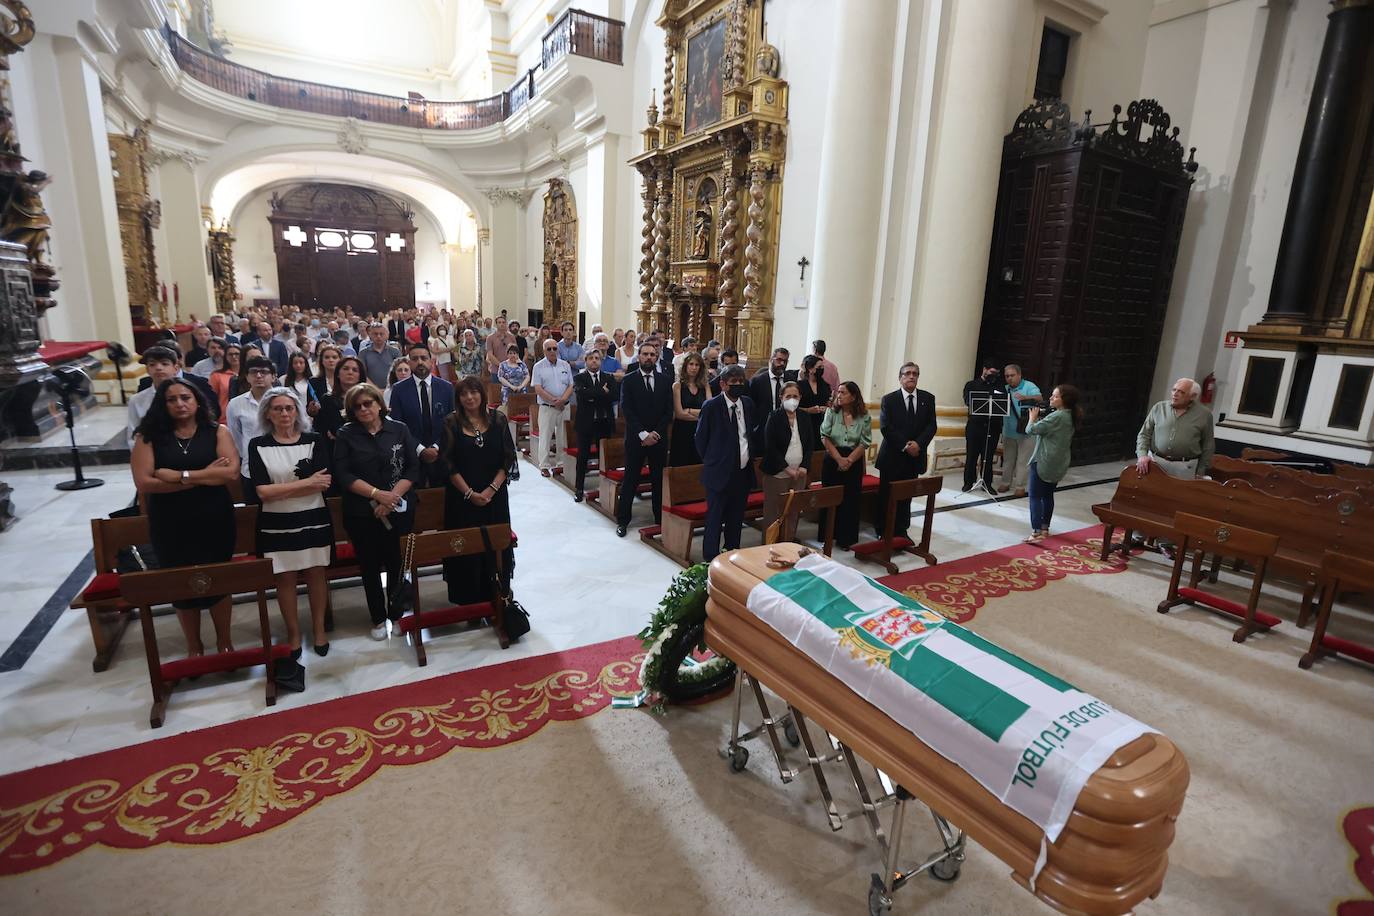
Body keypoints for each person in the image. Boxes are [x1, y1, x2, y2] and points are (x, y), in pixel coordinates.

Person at [131, 378, 239, 656]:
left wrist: (179, 476)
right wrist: (206, 476)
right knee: (180, 583)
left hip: (214, 518)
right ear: (162, 404)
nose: (180, 403)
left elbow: (229, 473)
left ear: (197, 400)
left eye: (185, 397)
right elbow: (144, 483)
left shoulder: (217, 432)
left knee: (220, 578)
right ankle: (194, 645)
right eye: (172, 399)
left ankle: (224, 641)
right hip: (169, 521)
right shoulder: (149, 437)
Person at [248, 389, 335, 656]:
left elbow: (324, 484)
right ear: (268, 414)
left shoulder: (314, 440)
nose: (284, 413)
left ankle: (319, 630)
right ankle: (294, 634)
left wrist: (283, 489)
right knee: (284, 578)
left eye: (289, 408)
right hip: (276, 521)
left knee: (316, 574)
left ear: (297, 411)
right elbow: (261, 492)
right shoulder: (259, 445)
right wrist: (307, 483)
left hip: (313, 516)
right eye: (277, 409)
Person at [332, 382, 419, 640]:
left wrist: (390, 498)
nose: (363, 409)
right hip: (361, 511)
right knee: (369, 566)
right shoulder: (346, 434)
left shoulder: (399, 429)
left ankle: (396, 614)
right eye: (357, 407)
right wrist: (376, 494)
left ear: (379, 404)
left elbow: (413, 468)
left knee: (396, 563)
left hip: (398, 507)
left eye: (368, 403)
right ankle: (378, 618)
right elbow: (343, 474)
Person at [442, 378, 516, 605]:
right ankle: (469, 601)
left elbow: (508, 458)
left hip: (495, 496)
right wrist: (470, 494)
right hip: (462, 499)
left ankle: (498, 594)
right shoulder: (451, 422)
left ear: (482, 395)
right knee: (466, 548)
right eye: (464, 394)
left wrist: (491, 490)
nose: (470, 397)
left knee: (495, 546)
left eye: (474, 392)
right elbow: (448, 463)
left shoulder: (498, 419)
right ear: (459, 398)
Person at [694, 364, 758, 561]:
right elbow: (700, 439)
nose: (738, 385)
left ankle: (731, 555)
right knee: (714, 519)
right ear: (723, 384)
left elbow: (748, 433)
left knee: (736, 518)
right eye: (733, 382)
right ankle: (710, 560)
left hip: (742, 471)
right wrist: (714, 461)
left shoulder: (747, 403)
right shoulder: (711, 406)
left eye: (741, 382)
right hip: (718, 472)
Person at [616, 342, 673, 537]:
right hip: (636, 438)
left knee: (658, 480)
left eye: (652, 354)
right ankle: (623, 520)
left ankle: (659, 518)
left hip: (658, 439)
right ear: (638, 357)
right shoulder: (629, 380)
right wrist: (643, 434)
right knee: (631, 479)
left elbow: (668, 412)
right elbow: (627, 410)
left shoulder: (665, 381)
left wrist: (655, 433)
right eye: (645, 354)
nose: (649, 357)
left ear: (657, 357)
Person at [875, 362, 937, 540]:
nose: (911, 376)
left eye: (915, 374)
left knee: (906, 496)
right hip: (892, 457)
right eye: (908, 373)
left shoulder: (927, 398)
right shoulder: (889, 399)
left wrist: (918, 444)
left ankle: (902, 531)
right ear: (900, 378)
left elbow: (931, 426)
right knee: (887, 496)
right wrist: (905, 446)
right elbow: (886, 427)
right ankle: (883, 530)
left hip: (914, 457)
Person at [387, 342, 454, 489]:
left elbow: (452, 422)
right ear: (409, 362)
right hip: (411, 454)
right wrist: (420, 449)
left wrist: (436, 446)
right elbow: (397, 425)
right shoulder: (399, 390)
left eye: (424, 358)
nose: (420, 362)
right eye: (415, 359)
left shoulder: (447, 388)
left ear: (432, 361)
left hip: (442, 453)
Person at [1024, 385, 1083, 543]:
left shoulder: (1057, 416)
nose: (1051, 398)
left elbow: (1031, 430)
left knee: (1035, 496)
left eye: (1055, 396)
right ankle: (1044, 528)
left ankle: (1036, 533)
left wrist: (1032, 418)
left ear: (1065, 400)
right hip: (1059, 462)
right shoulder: (1070, 415)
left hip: (1044, 460)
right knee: (1047, 495)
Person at [127, 346, 217, 446]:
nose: (158, 368)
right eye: (152, 364)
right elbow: (133, 435)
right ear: (147, 369)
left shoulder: (192, 393)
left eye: (164, 364)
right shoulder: (137, 400)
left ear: (176, 368)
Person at [820, 381, 871, 549]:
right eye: (838, 392)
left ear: (854, 396)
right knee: (830, 496)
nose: (839, 395)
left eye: (843, 393)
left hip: (853, 460)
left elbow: (864, 442)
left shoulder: (863, 416)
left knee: (850, 499)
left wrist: (849, 460)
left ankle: (846, 538)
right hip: (833, 459)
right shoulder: (831, 412)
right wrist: (839, 459)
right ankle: (827, 534)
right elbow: (824, 437)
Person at [760, 380, 813, 540]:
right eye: (788, 396)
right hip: (777, 472)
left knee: (793, 512)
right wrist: (787, 468)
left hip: (799, 474)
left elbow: (810, 443)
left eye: (795, 396)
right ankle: (769, 545)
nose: (792, 399)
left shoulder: (804, 416)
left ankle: (787, 544)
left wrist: (804, 466)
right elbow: (770, 446)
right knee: (773, 512)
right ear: (781, 397)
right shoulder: (774, 416)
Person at [1135, 378, 1215, 479]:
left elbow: (1208, 445)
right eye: (1174, 390)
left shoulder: (1204, 415)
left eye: (1181, 392)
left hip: (1185, 466)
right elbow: (1144, 434)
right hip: (1156, 462)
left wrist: (1200, 471)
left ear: (1193, 396)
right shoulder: (1159, 408)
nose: (1175, 394)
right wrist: (1142, 455)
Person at [227, 355, 278, 504]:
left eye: (264, 372)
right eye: (254, 372)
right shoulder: (235, 404)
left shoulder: (286, 399)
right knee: (255, 513)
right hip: (251, 467)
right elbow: (235, 436)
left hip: (285, 463)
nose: (259, 375)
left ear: (274, 376)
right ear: (247, 377)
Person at [571, 348, 618, 501]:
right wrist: (601, 392)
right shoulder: (579, 378)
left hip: (603, 423)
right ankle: (579, 489)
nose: (594, 361)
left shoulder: (608, 378)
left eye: (597, 358)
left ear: (601, 361)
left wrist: (593, 393)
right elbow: (581, 394)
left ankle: (604, 489)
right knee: (582, 457)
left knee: (603, 458)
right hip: (586, 424)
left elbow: (613, 396)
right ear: (586, 361)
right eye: (591, 358)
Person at [531, 337, 574, 477]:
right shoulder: (538, 366)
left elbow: (570, 385)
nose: (552, 351)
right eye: (549, 349)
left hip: (564, 406)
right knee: (545, 436)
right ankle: (544, 465)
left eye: (555, 348)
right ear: (544, 350)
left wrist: (563, 400)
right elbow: (538, 388)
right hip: (547, 407)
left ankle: (561, 463)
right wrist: (554, 401)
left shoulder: (565, 365)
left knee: (563, 436)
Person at [997, 364, 1041, 497]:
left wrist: (1025, 397)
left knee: (1023, 460)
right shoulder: (1004, 389)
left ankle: (1020, 486)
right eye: (1007, 376)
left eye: (1012, 375)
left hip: (1026, 431)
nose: (1009, 378)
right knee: (1008, 459)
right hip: (1009, 430)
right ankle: (1005, 482)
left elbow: (1039, 398)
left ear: (1019, 375)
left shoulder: (1029, 386)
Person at [962, 358, 1003, 493]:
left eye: (996, 373)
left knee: (988, 456)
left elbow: (1003, 404)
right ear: (984, 370)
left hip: (993, 427)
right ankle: (968, 482)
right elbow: (968, 401)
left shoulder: (999, 386)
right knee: (972, 455)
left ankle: (987, 483)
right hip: (975, 426)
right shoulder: (971, 384)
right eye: (991, 372)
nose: (993, 376)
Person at [670, 352, 708, 466]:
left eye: (697, 365)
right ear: (685, 366)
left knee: (698, 463)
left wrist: (690, 410)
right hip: (682, 431)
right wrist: (701, 415)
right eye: (691, 364)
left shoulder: (705, 385)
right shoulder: (677, 386)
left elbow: (709, 411)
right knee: (681, 463)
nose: (694, 368)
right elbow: (679, 414)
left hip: (700, 430)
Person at [748, 347, 795, 426]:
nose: (782, 364)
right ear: (771, 360)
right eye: (779, 360)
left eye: (785, 361)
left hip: (785, 425)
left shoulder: (790, 379)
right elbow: (752, 406)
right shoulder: (758, 381)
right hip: (764, 425)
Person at [797, 354, 831, 451]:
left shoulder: (825, 385)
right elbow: (793, 408)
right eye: (819, 367)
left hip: (822, 426)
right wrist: (808, 410)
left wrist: (827, 408)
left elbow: (829, 404)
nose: (822, 369)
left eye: (822, 367)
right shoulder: (799, 386)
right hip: (804, 425)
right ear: (810, 369)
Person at [279, 352, 317, 424]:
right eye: (295, 363)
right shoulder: (283, 380)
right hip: (289, 418)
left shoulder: (312, 381)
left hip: (308, 419)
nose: (298, 365)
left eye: (301, 363)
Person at [359, 323, 400, 388]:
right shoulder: (363, 353)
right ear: (370, 335)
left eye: (381, 334)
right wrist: (376, 390)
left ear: (387, 335)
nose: (378, 336)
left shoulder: (395, 351)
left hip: (392, 389)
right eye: (375, 334)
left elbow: (399, 372)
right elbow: (362, 374)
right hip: (371, 390)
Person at [209, 343, 241, 418]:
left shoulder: (248, 374)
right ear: (225, 357)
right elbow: (211, 399)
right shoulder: (216, 375)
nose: (234, 357)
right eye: (230, 354)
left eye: (237, 354)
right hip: (225, 417)